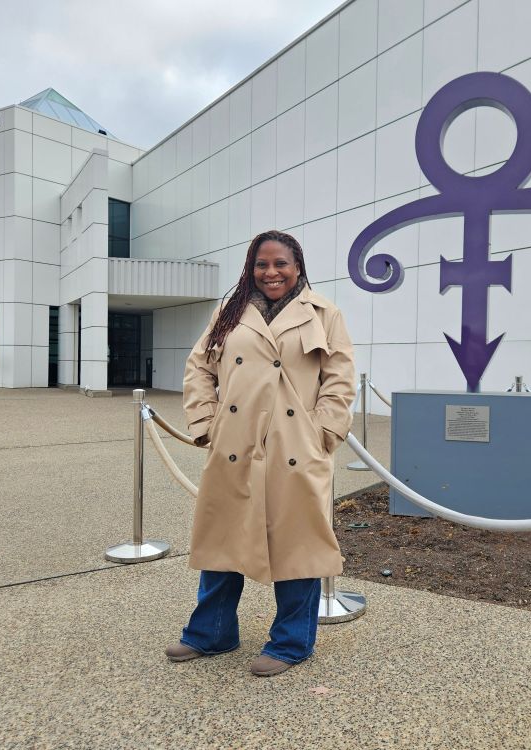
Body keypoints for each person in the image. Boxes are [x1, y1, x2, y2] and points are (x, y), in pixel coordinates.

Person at [168, 230, 356, 677]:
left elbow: (340, 378)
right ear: (250, 268)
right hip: (236, 443)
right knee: (222, 538)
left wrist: (322, 433)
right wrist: (206, 422)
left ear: (298, 266)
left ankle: (291, 642)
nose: (271, 273)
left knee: (298, 544)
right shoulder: (229, 312)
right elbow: (199, 367)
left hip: (295, 447)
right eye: (261, 264)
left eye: (280, 264)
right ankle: (211, 633)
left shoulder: (324, 313)